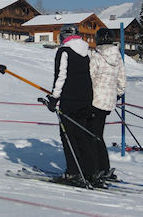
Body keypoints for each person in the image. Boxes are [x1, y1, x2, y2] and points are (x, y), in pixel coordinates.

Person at [43, 24, 96, 187]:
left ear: (64, 36)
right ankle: (89, 171)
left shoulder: (64, 51)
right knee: (82, 136)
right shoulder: (86, 51)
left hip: (70, 100)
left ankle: (73, 172)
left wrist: (54, 98)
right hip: (86, 98)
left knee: (68, 136)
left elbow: (60, 76)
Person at [87, 28, 126, 182]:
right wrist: (116, 95)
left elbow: (89, 78)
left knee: (92, 136)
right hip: (108, 102)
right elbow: (122, 82)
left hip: (95, 101)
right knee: (98, 135)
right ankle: (103, 167)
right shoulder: (118, 57)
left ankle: (96, 168)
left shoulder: (97, 57)